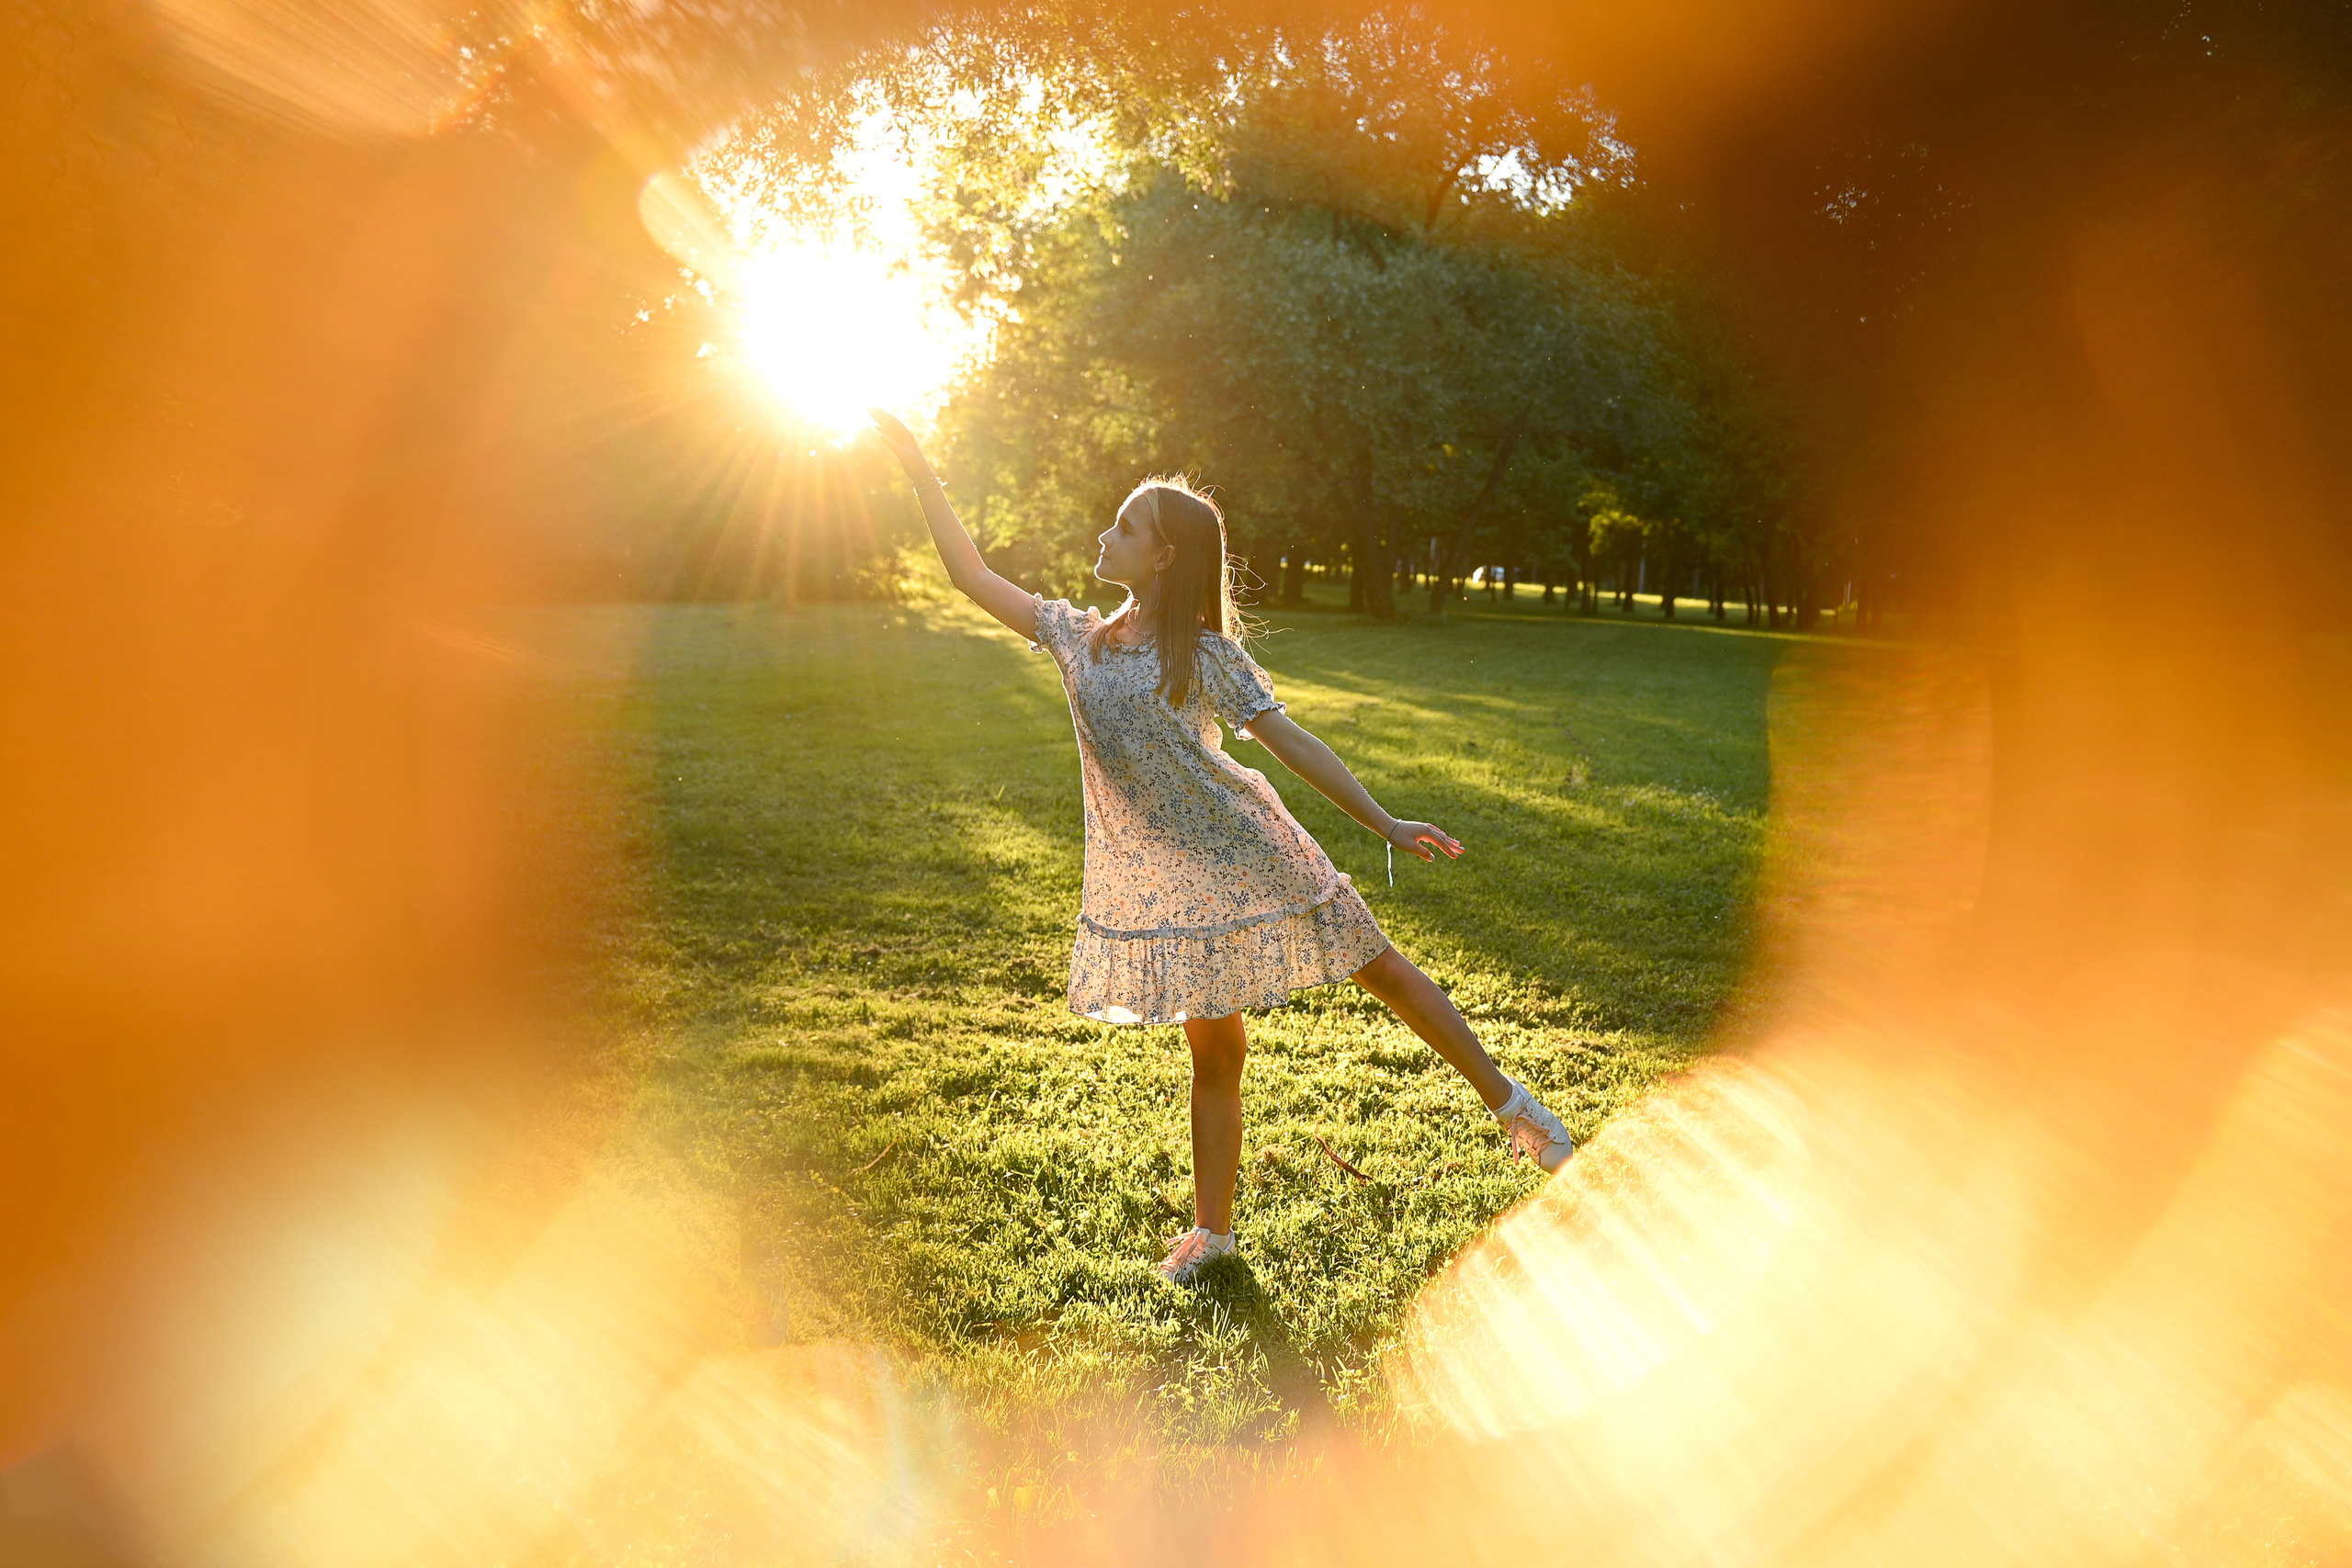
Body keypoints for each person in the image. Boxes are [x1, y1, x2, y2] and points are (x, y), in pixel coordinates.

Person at [868, 410, 1576, 1285]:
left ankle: (1519, 1110)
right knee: (1217, 1052)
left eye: (1127, 526)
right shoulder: (1075, 635)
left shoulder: (1202, 653)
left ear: (1164, 556)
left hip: (1249, 844)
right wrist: (920, 469)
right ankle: (1214, 1236)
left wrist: (1386, 822)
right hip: (1177, 885)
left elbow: (1294, 743)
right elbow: (970, 574)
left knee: (1381, 969)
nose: (1107, 532)